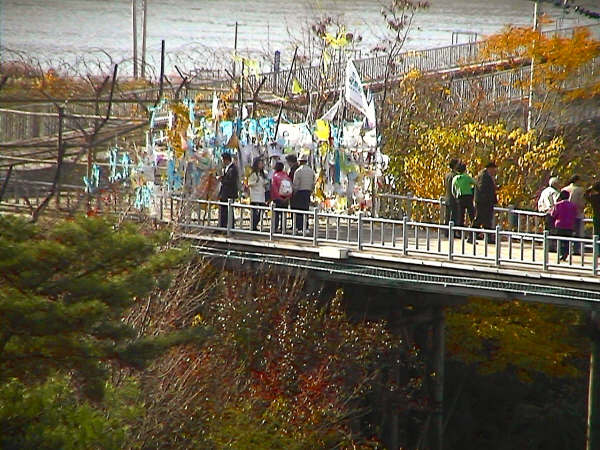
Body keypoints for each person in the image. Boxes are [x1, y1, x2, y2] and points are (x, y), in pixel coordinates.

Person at [551, 190, 578, 261]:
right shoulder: (573, 205)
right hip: (569, 225)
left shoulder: (558, 205)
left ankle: (560, 253)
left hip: (559, 225)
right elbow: (575, 214)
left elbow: (553, 214)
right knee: (567, 241)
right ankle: (565, 254)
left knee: (559, 240)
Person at [291, 152, 315, 232]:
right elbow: (313, 183)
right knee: (305, 210)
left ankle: (299, 227)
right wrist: (310, 191)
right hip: (307, 192)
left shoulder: (298, 171)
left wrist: (294, 193)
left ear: (300, 161)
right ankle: (306, 227)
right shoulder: (311, 171)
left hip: (299, 192)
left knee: (299, 210)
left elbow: (295, 184)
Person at [474, 161, 498, 231]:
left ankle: (488, 237)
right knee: (480, 219)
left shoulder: (486, 176)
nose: (494, 171)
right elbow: (482, 188)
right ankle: (472, 235)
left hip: (486, 202)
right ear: (490, 168)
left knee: (487, 220)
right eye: (494, 169)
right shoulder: (484, 176)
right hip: (483, 202)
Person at [451, 162, 476, 228]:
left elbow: (453, 190)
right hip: (468, 197)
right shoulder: (467, 177)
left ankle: (460, 230)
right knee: (472, 214)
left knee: (460, 215)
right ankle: (474, 228)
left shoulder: (455, 178)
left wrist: (455, 196)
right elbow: (475, 183)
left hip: (460, 197)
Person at [218, 152, 239, 229]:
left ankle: (230, 226)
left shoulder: (233, 168)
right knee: (223, 210)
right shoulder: (226, 168)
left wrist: (222, 179)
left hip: (229, 193)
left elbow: (231, 180)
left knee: (229, 211)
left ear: (226, 160)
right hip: (224, 193)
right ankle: (222, 226)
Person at [270, 161, 293, 232]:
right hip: (285, 196)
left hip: (277, 197)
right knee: (284, 214)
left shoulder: (275, 176)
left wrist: (276, 197)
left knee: (276, 214)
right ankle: (283, 228)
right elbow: (290, 186)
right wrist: (288, 197)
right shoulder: (286, 175)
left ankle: (275, 228)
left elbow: (274, 188)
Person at [247, 157, 268, 231]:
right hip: (255, 196)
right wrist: (255, 182)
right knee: (255, 212)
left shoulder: (263, 174)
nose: (262, 165)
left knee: (260, 212)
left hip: (261, 195)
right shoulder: (253, 174)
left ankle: (255, 225)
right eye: (260, 163)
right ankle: (253, 226)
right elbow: (249, 183)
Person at [444, 158, 460, 227]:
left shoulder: (447, 175)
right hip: (453, 198)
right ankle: (452, 232)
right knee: (454, 216)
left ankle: (446, 232)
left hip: (447, 198)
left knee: (447, 216)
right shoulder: (455, 176)